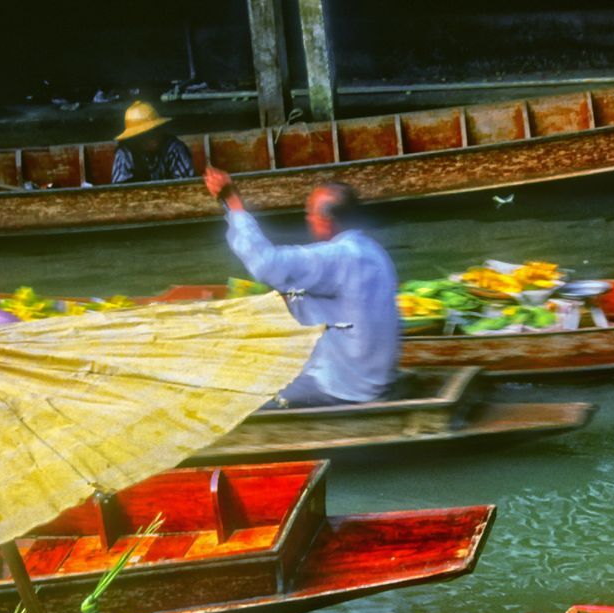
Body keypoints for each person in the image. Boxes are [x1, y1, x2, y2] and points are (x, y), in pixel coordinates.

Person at [204, 166, 400, 406]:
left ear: (326, 221)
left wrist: (233, 203)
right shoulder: (374, 252)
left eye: (310, 213)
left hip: (343, 386)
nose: (307, 219)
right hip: (372, 378)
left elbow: (266, 263)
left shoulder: (339, 256)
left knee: (238, 404)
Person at [110, 101, 196, 184]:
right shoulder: (125, 154)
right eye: (146, 133)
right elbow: (120, 191)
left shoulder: (174, 149)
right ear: (135, 137)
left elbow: (187, 185)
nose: (153, 136)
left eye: (155, 130)